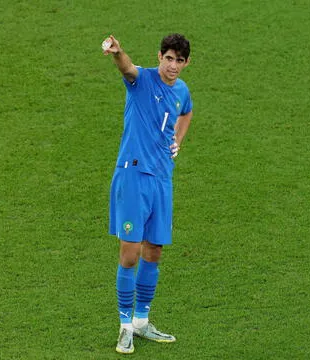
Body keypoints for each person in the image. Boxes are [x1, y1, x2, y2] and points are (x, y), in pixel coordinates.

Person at [101, 33, 193, 355]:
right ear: (159, 57)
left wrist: (178, 141)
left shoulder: (181, 91)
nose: (173, 66)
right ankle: (124, 325)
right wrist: (118, 52)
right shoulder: (142, 80)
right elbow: (127, 69)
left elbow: (186, 113)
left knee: (153, 251)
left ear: (186, 63)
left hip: (161, 180)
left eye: (179, 61)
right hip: (133, 175)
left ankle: (141, 321)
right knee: (129, 253)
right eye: (168, 58)